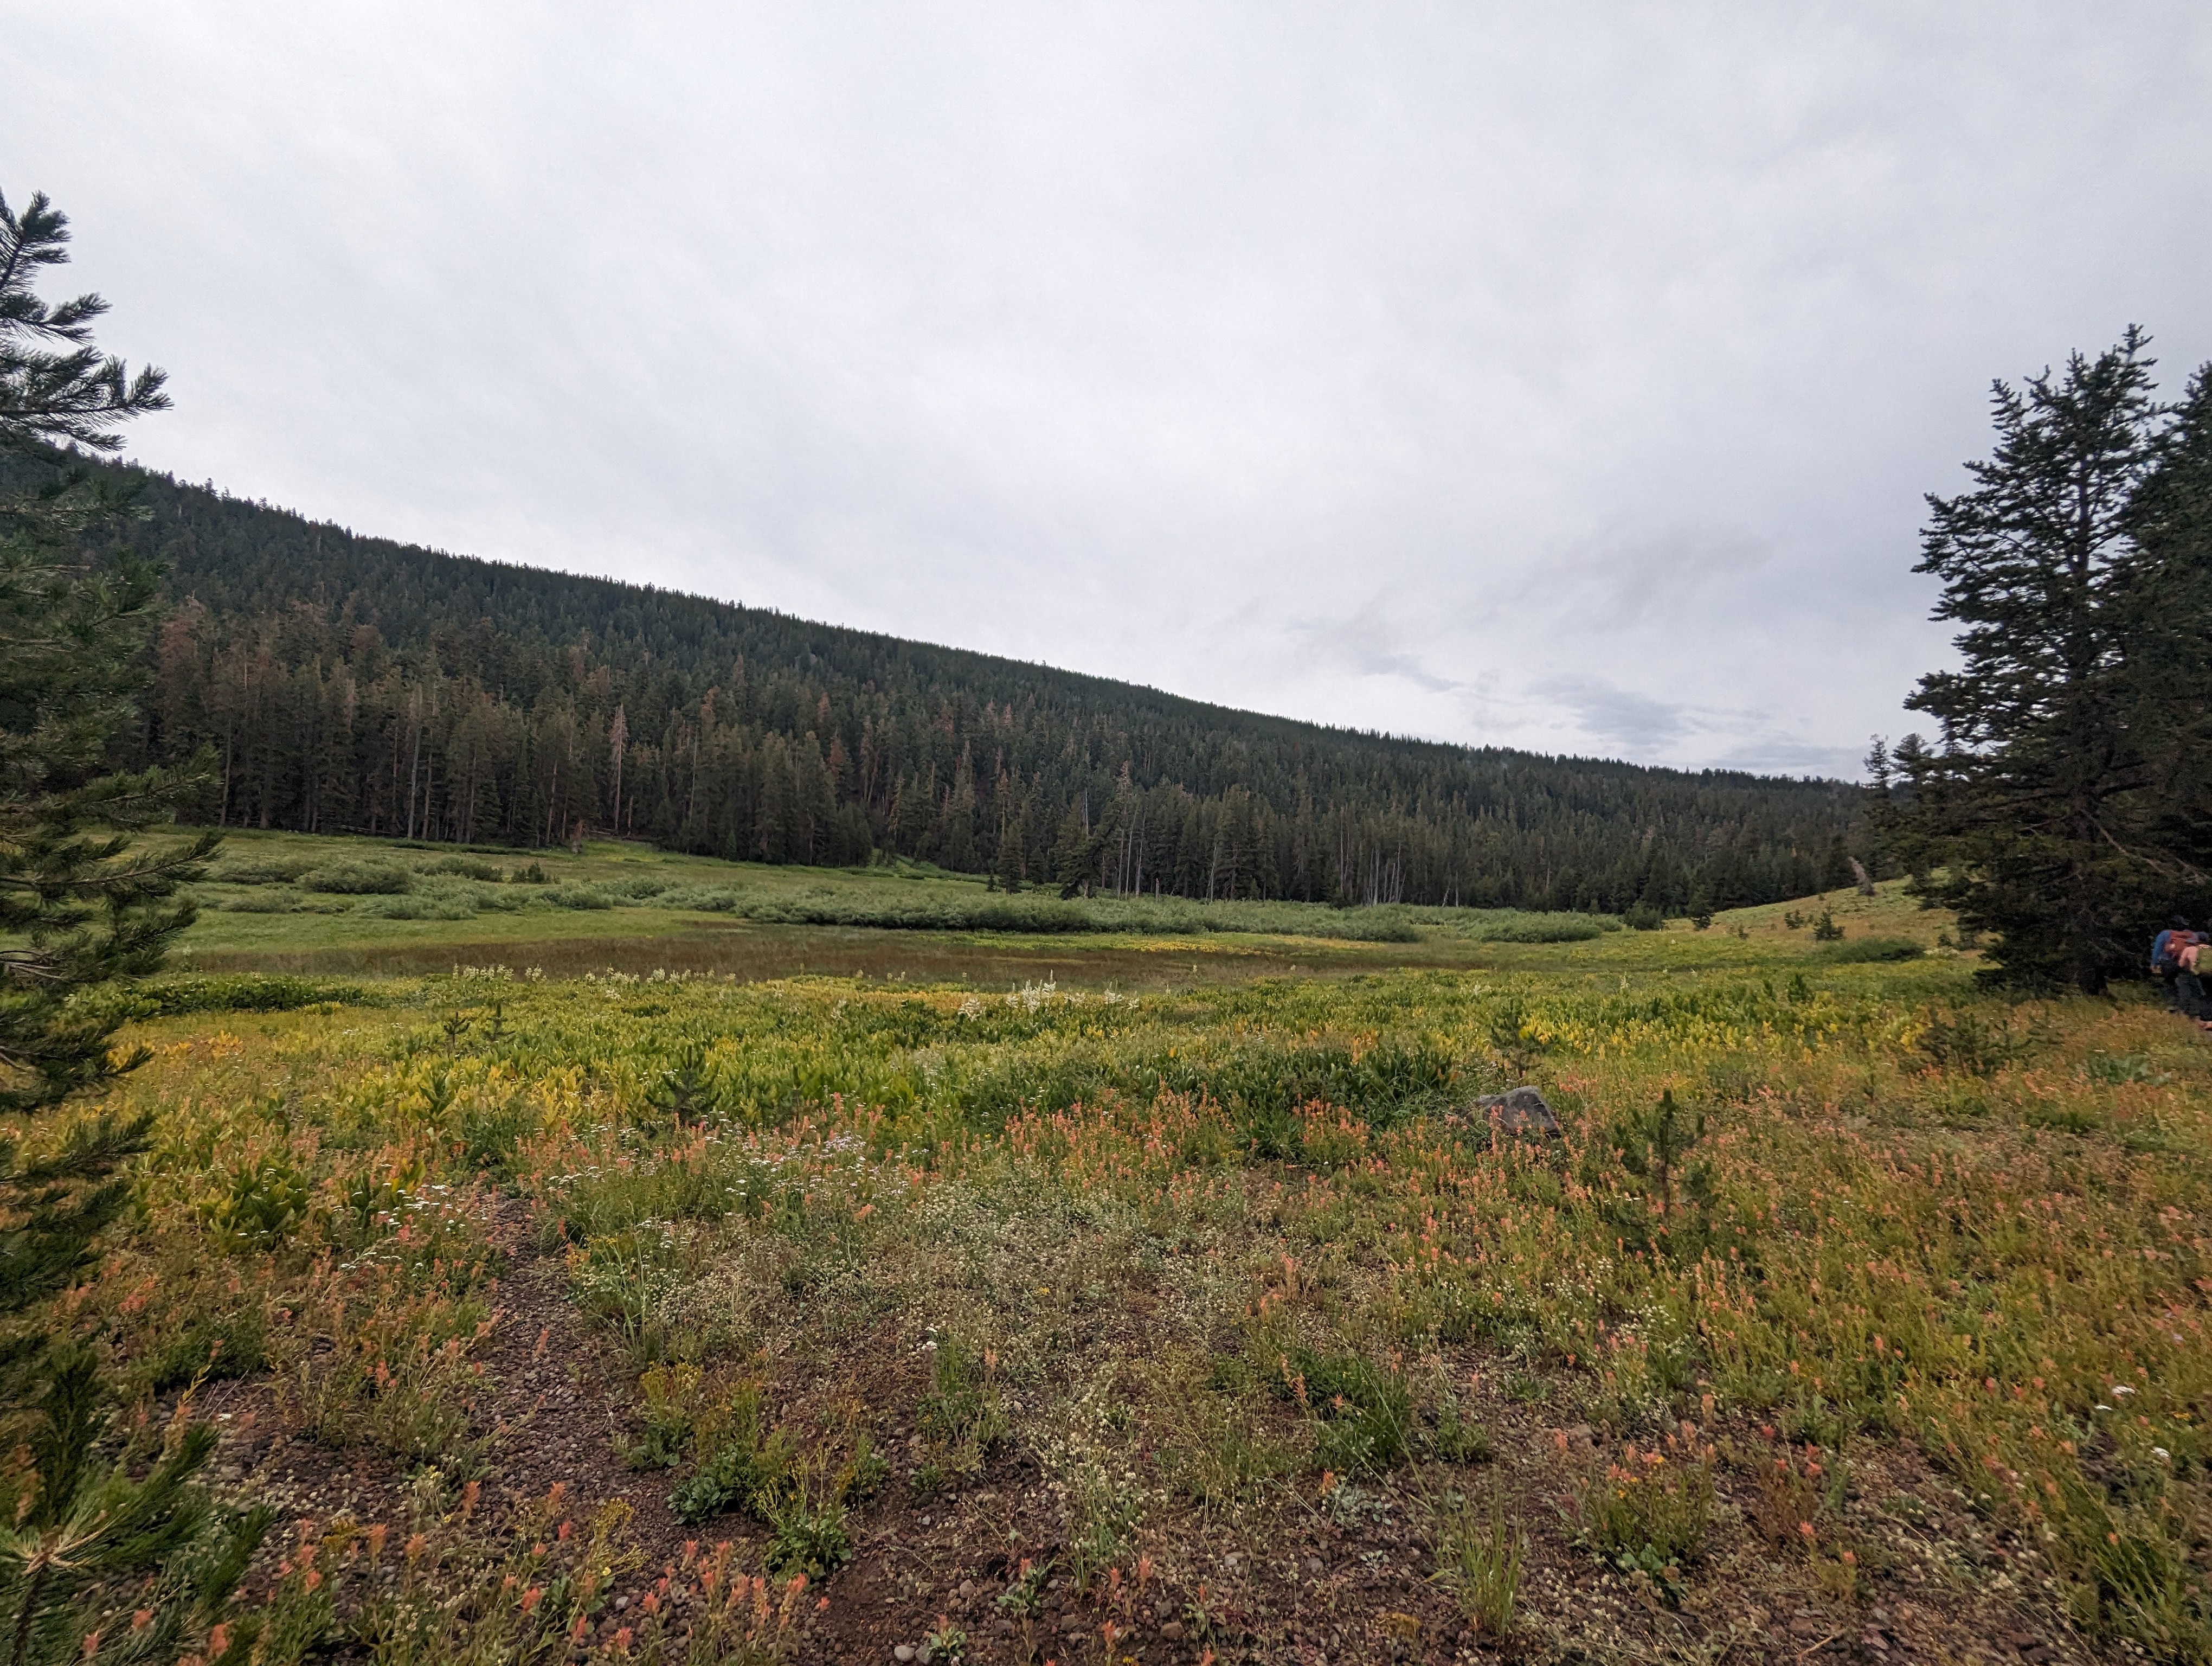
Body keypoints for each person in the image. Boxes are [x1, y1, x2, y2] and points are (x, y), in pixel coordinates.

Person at [2153, 916, 2195, 1011]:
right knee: (2185, 985)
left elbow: (2157, 949)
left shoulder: (2165, 934)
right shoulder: (2190, 934)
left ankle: (2172, 1004)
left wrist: (2154, 963)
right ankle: (2185, 1007)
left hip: (2168, 963)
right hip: (2186, 964)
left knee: (2169, 983)